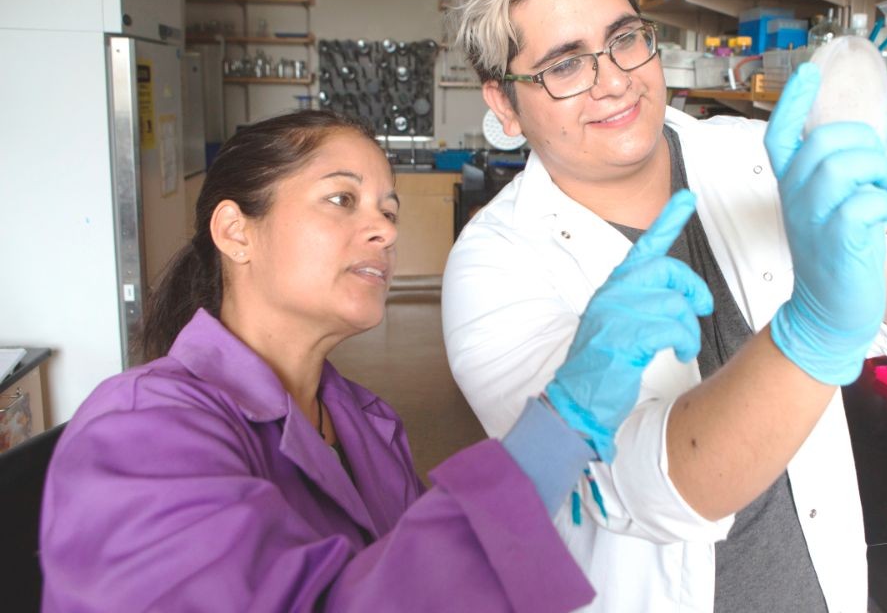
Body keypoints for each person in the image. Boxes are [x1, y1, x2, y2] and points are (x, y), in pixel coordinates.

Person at [441, 0, 887, 612]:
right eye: (565, 65)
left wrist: (882, 216)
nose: (613, 80)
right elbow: (639, 488)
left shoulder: (753, 154)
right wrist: (813, 334)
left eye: (624, 39)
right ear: (504, 103)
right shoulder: (492, 267)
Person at [39, 110, 717, 612]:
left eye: (388, 209)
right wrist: (560, 427)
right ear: (235, 231)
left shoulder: (365, 423)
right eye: (342, 200)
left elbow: (430, 583)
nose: (384, 229)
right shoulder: (138, 432)